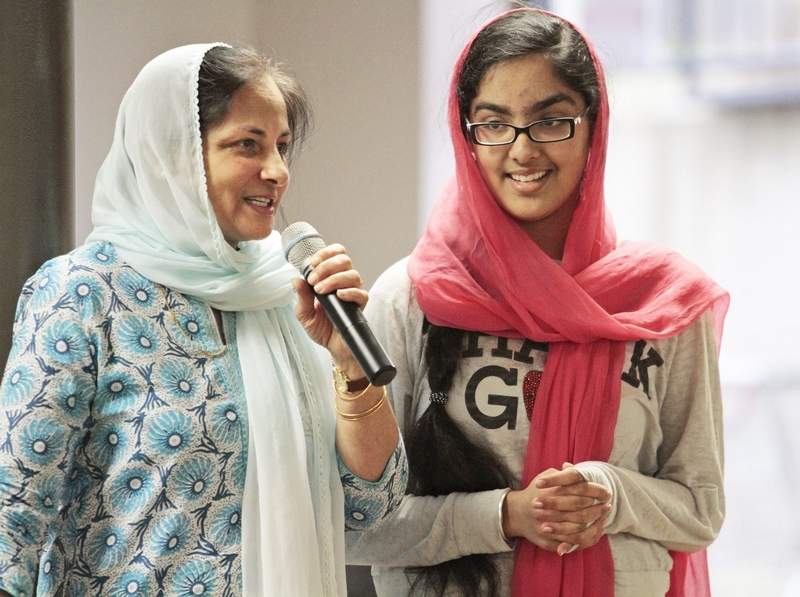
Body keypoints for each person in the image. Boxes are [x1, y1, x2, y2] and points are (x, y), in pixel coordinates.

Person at [346, 7, 728, 597]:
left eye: (551, 121)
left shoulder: (666, 305)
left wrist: (612, 492)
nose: (522, 151)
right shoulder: (412, 298)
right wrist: (506, 515)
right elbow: (356, 524)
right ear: (466, 135)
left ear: (593, 127)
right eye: (493, 124)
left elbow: (701, 508)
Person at [0, 44, 406, 597]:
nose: (277, 171)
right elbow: (14, 514)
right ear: (176, 153)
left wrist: (349, 366)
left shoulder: (289, 294)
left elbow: (370, 506)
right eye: (248, 145)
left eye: (283, 146)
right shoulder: (84, 293)